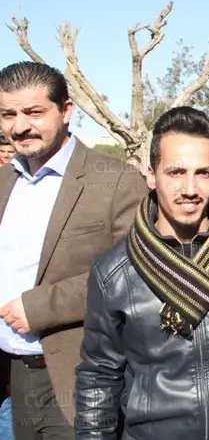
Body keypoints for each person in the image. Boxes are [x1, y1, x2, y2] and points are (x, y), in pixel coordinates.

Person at [74, 106, 209, 440]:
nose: (190, 188)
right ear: (151, 175)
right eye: (175, 172)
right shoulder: (114, 271)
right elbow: (98, 375)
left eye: (202, 173)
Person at [0, 61, 147, 439]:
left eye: (34, 112)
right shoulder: (4, 180)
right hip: (12, 381)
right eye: (8, 115)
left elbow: (137, 270)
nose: (19, 126)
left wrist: (42, 307)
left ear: (66, 111)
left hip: (77, 381)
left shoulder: (115, 180)